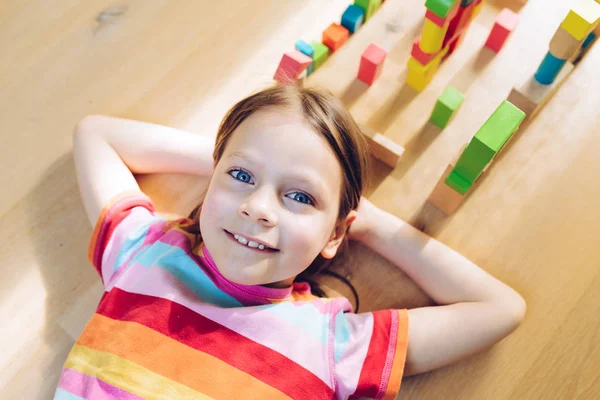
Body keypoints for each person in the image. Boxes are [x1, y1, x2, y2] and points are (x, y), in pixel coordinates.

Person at [54, 84, 526, 400]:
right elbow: (96, 134)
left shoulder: (331, 343)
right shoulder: (145, 250)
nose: (258, 208)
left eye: (299, 196)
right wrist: (232, 156)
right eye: (239, 176)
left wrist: (371, 223)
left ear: (337, 232)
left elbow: (499, 308)